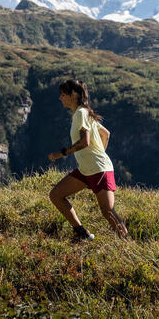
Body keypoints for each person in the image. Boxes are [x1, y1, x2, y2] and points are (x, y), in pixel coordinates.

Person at [47, 78, 130, 241]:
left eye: (63, 94)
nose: (60, 98)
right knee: (56, 195)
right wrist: (99, 153)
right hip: (88, 169)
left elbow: (85, 141)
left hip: (98, 169)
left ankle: (128, 244)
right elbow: (106, 134)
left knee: (108, 211)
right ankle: (81, 233)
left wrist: (61, 153)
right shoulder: (85, 113)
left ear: (73, 95)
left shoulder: (80, 113)